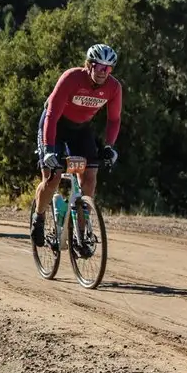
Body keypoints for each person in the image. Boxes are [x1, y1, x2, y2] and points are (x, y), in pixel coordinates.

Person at [31, 44, 122, 249]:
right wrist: (48, 149)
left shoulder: (114, 88)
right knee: (53, 177)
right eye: (99, 67)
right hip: (54, 125)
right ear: (89, 65)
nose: (103, 73)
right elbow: (52, 114)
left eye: (108, 69)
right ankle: (39, 216)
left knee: (89, 178)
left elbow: (114, 120)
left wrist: (110, 146)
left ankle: (80, 234)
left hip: (80, 130)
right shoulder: (71, 78)